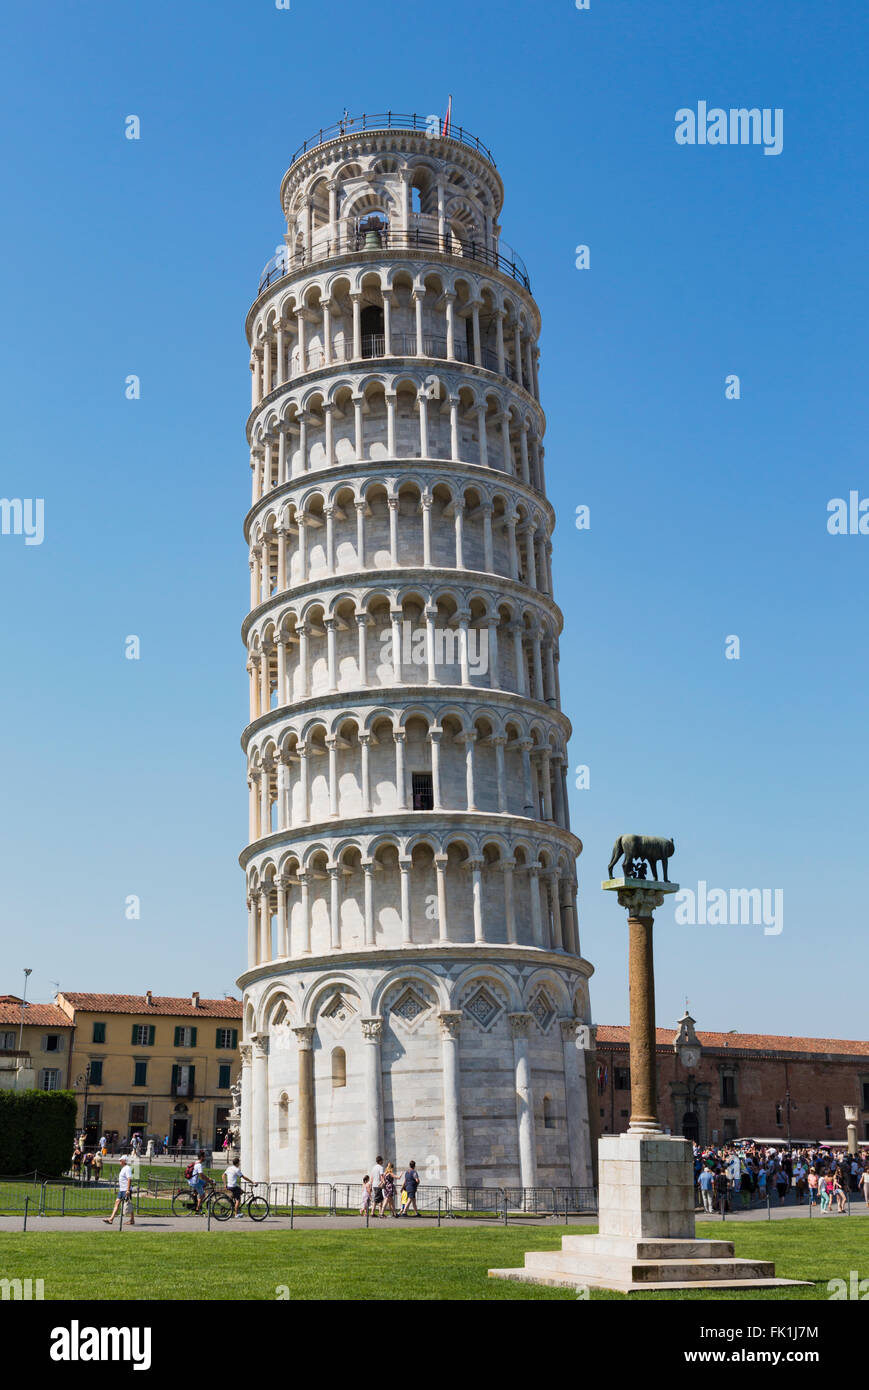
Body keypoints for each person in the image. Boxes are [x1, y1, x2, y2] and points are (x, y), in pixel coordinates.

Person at [103, 1156, 134, 1225]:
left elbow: (129, 1179)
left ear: (124, 1161)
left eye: (121, 1160)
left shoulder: (127, 1168)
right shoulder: (123, 1168)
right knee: (117, 1203)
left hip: (126, 1190)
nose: (119, 1161)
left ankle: (132, 1219)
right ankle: (111, 1219)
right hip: (121, 1190)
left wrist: (128, 1190)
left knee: (128, 1205)